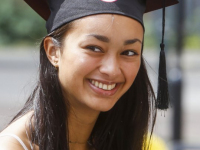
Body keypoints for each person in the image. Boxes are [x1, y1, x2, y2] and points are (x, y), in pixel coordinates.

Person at [0, 0, 178, 150]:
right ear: (53, 51)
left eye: (129, 52)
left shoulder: (126, 140)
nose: (112, 69)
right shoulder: (15, 146)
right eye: (94, 48)